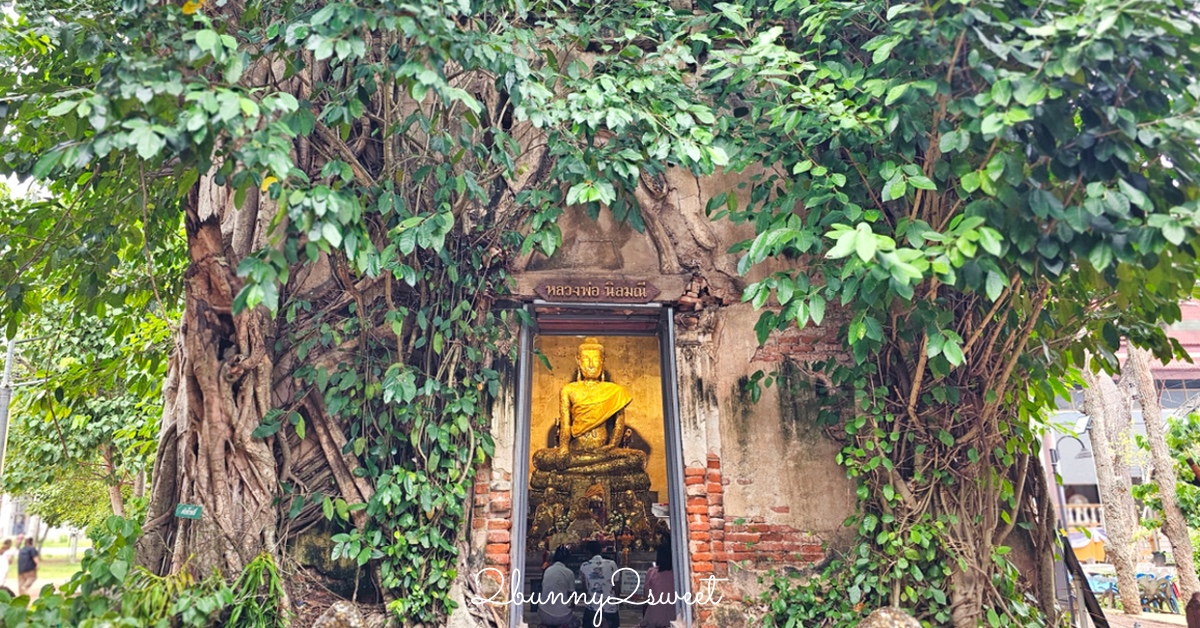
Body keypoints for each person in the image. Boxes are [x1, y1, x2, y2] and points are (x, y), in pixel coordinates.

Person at [579, 540, 620, 628]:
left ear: (588, 552)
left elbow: (585, 589)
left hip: (592, 609)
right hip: (610, 608)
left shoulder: (584, 566)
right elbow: (617, 586)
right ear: (601, 551)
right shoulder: (612, 564)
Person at [538, 546, 580, 627]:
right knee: (576, 622)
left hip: (544, 614)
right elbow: (572, 597)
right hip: (563, 616)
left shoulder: (547, 570)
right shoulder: (569, 573)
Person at [639, 540, 676, 628]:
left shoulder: (652, 573)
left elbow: (647, 596)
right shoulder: (677, 575)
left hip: (654, 617)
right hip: (674, 616)